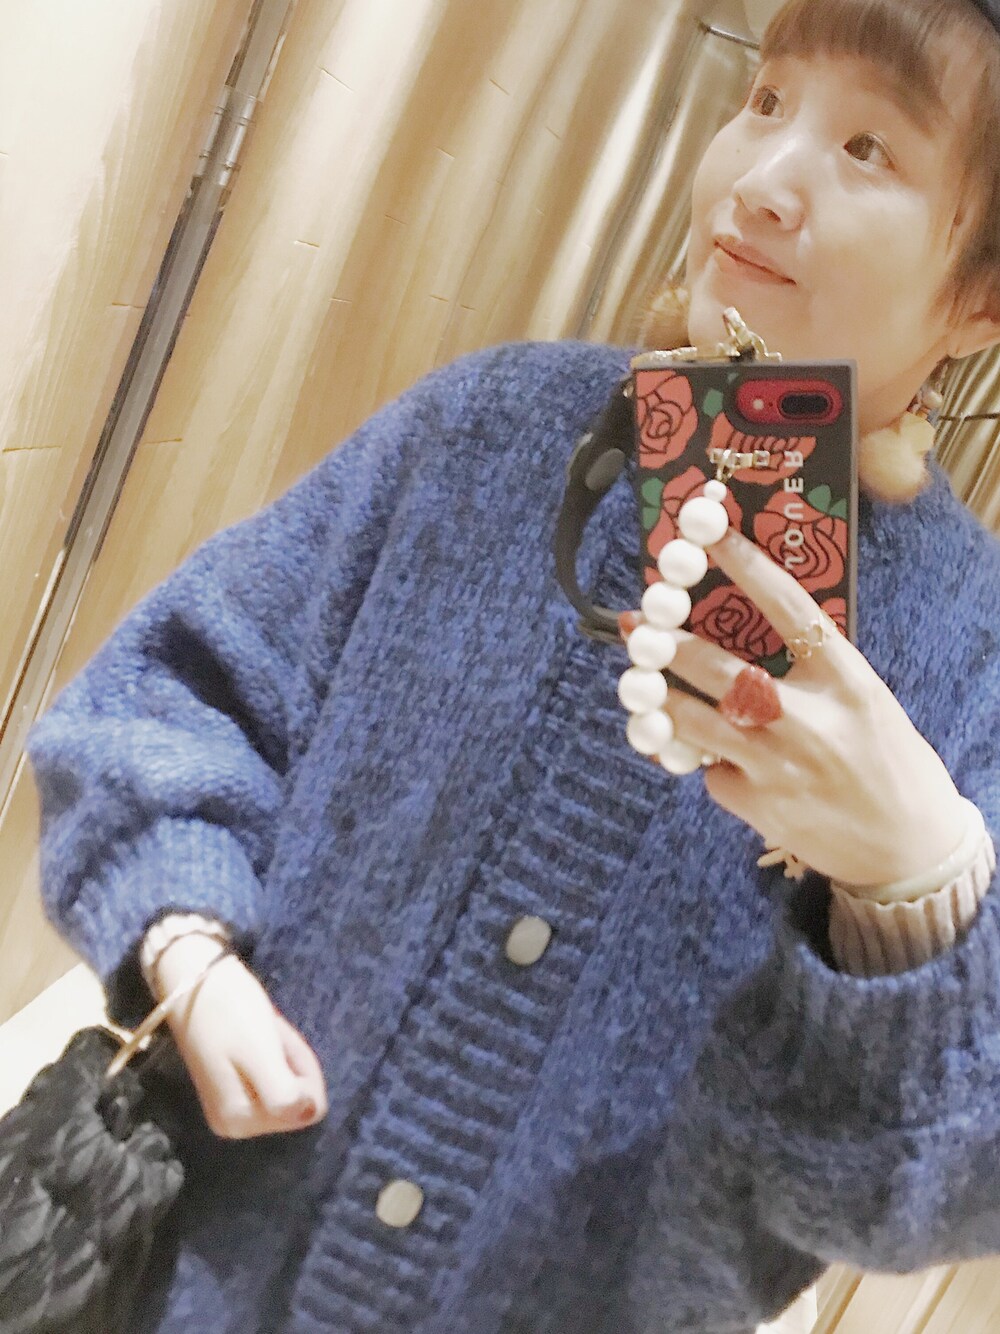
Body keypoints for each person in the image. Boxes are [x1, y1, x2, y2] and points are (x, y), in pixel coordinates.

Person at [21, 0, 1000, 1330]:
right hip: (189, 1285)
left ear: (978, 296)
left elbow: (919, 1202)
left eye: (869, 147)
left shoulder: (973, 652)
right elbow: (176, 694)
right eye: (767, 101)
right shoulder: (490, 427)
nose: (764, 180)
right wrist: (186, 942)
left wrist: (914, 890)